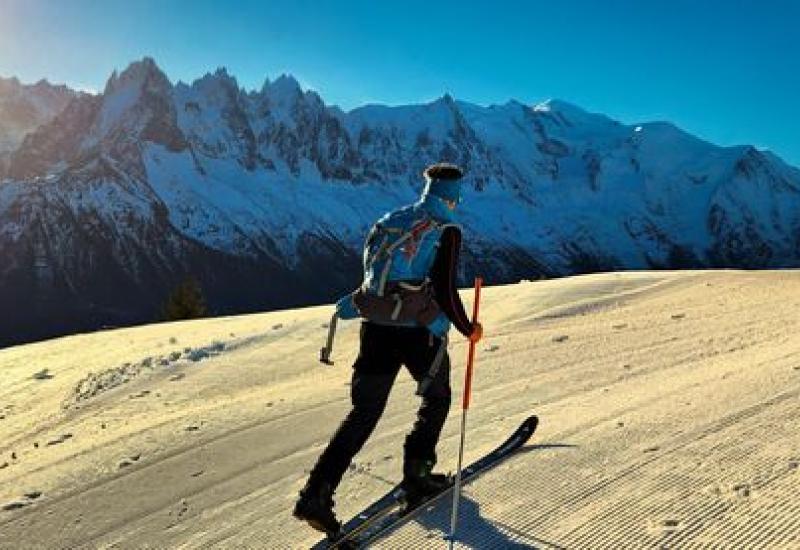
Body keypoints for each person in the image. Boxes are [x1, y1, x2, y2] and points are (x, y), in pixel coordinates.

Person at [293, 162, 483, 534]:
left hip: (375, 329)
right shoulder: (446, 228)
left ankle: (315, 494)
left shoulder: (392, 220)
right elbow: (443, 287)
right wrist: (466, 327)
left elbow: (372, 276)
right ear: (454, 195)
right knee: (437, 397)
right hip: (416, 334)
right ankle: (417, 474)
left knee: (363, 414)